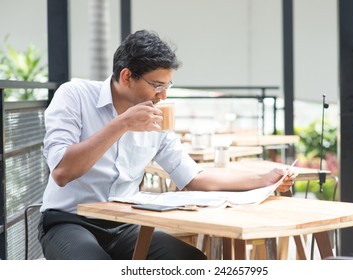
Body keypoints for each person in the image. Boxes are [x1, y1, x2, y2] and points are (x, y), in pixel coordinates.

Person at [38, 29, 295, 260]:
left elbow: (193, 177)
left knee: (191, 262)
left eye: (167, 85)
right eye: (157, 86)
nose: (163, 96)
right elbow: (62, 172)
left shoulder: (156, 116)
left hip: (125, 223)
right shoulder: (74, 95)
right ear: (127, 77)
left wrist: (263, 179)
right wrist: (121, 125)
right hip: (69, 221)